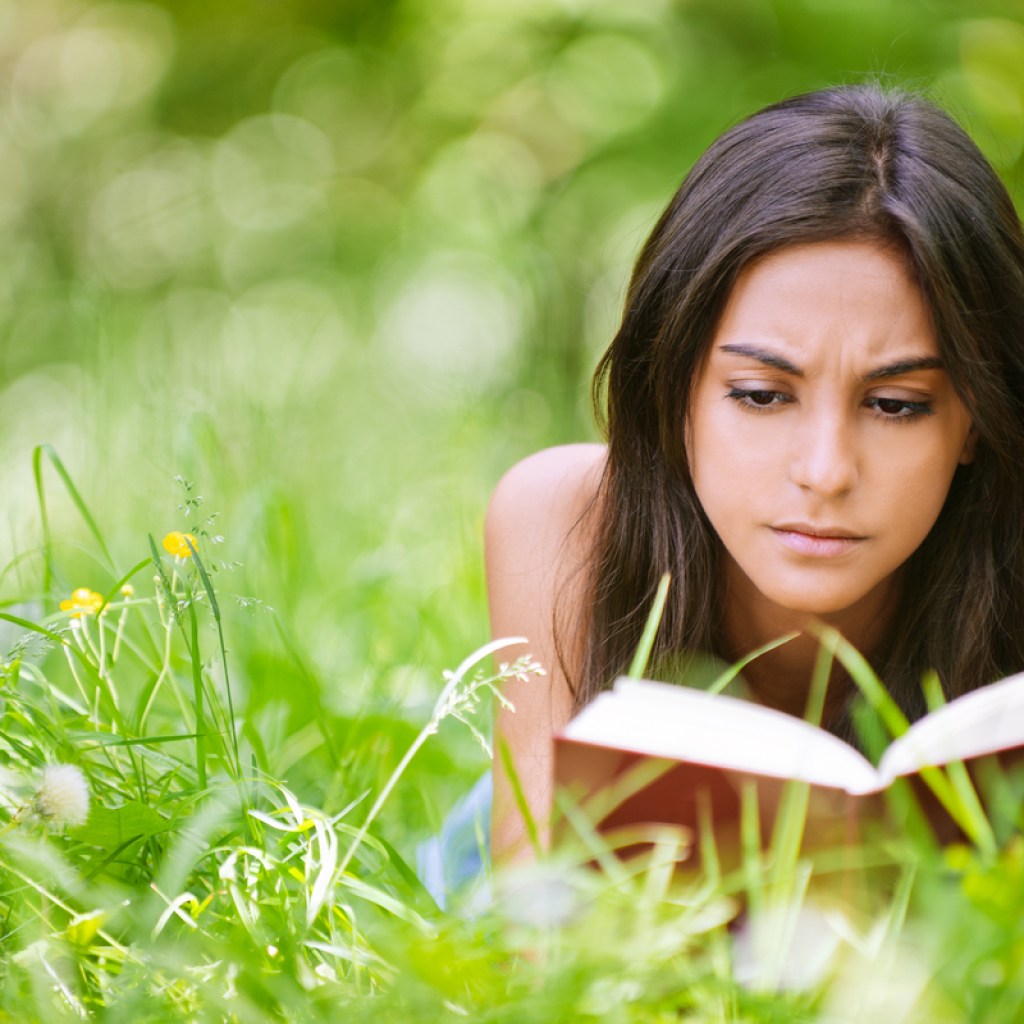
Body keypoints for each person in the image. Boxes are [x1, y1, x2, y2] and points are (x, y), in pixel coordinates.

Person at [485, 83, 1024, 867]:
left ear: (975, 415)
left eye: (898, 405)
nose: (826, 471)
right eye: (763, 396)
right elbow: (530, 926)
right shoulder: (564, 518)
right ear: (674, 391)